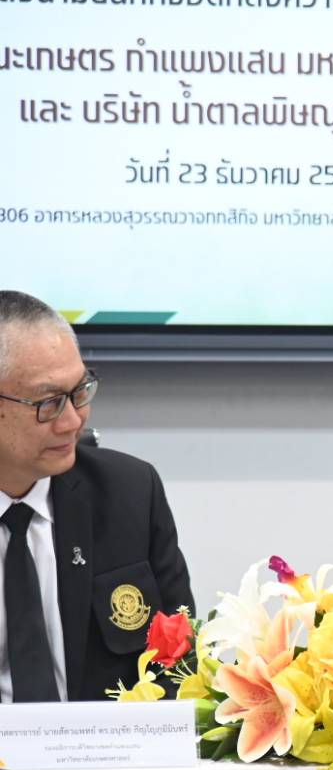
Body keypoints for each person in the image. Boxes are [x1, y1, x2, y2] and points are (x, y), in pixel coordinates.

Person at [0, 290, 193, 702]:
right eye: (49, 403)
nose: (72, 421)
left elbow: (182, 668)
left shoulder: (130, 493)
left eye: (80, 391)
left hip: (107, 742)